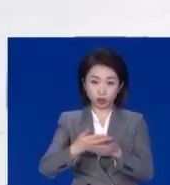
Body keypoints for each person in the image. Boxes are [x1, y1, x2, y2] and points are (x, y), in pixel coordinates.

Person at [39, 47, 154, 184]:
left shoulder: (135, 121)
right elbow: (46, 167)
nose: (102, 91)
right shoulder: (69, 120)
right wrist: (77, 147)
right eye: (94, 82)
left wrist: (118, 153)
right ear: (84, 84)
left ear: (119, 86)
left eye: (110, 83)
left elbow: (147, 172)